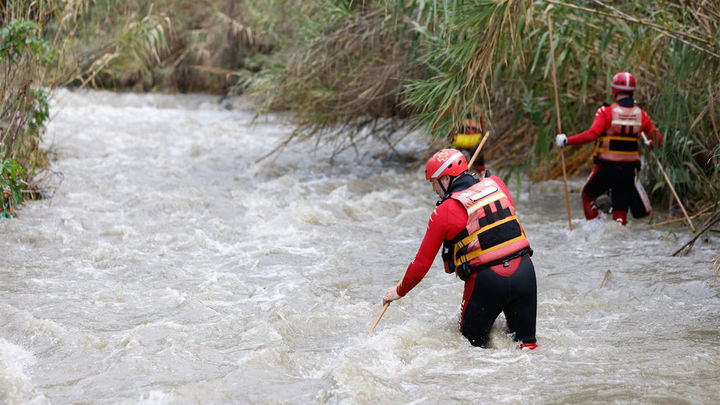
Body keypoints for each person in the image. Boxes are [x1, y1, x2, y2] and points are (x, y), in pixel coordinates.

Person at [381, 149, 537, 349]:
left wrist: (399, 291)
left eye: (433, 182)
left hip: (487, 282)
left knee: (468, 349)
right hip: (524, 272)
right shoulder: (496, 183)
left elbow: (421, 264)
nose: (433, 190)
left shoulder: (443, 211)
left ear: (446, 179)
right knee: (527, 348)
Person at [555, 72, 662, 226]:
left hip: (606, 169)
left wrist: (566, 140)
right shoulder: (642, 115)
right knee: (620, 214)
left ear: (614, 90)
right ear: (633, 91)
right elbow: (659, 140)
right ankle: (617, 243)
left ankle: (596, 230)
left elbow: (592, 134)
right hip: (628, 172)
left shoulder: (606, 112)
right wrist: (650, 144)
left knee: (587, 197)